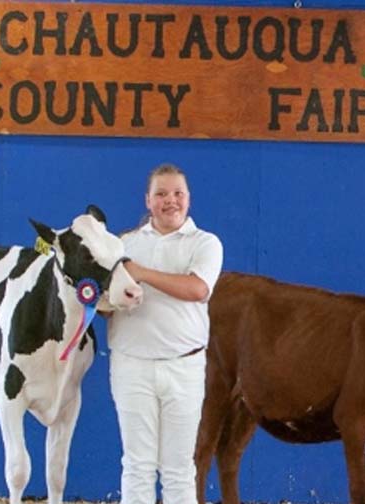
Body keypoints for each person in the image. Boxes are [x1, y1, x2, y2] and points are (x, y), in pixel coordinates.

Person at [107, 163, 224, 504]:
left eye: (177, 194)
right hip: (131, 365)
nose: (169, 201)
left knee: (178, 468)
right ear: (147, 200)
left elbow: (198, 288)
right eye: (161, 194)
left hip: (183, 367)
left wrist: (141, 273)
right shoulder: (122, 245)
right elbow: (104, 301)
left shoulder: (206, 243)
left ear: (188, 199)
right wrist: (110, 297)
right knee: (137, 465)